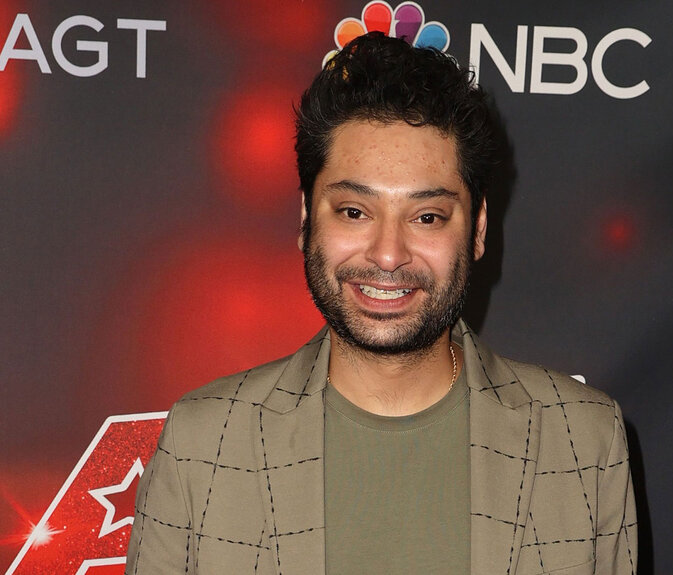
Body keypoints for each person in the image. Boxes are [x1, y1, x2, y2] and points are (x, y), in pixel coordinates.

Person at [126, 32, 637, 575]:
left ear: (479, 228)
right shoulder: (202, 443)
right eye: (353, 212)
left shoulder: (584, 441)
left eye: (427, 217)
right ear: (306, 219)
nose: (389, 255)